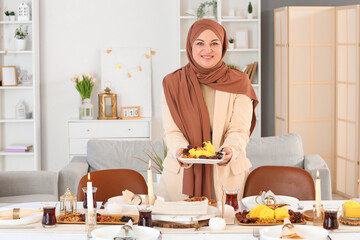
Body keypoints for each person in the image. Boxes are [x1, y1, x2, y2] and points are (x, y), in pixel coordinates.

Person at [158, 19, 258, 201]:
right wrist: (181, 151)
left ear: (223, 46)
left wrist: (230, 150)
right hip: (181, 179)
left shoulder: (240, 82)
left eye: (214, 43)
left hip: (228, 178)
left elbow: (239, 129)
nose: (207, 50)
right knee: (180, 227)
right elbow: (172, 131)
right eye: (200, 43)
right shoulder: (172, 83)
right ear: (190, 46)